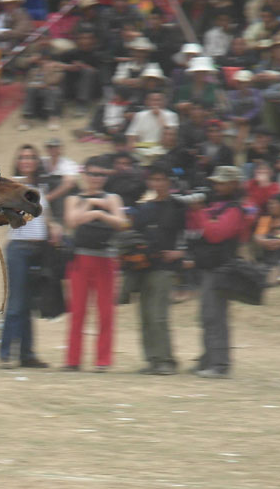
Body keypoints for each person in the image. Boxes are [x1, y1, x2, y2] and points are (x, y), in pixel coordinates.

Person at [63, 156, 128, 371]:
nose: (96, 178)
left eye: (101, 174)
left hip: (106, 259)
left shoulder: (113, 198)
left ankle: (103, 360)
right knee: (78, 311)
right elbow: (72, 221)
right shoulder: (74, 198)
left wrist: (100, 213)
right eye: (92, 173)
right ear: (85, 174)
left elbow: (122, 223)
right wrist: (92, 205)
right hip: (81, 259)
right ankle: (73, 360)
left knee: (106, 312)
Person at [0, 145, 58, 369]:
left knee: (29, 303)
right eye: (23, 157)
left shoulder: (40, 188)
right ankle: (6, 353)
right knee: (16, 302)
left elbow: (46, 217)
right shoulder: (13, 186)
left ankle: (27, 353)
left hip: (39, 249)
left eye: (31, 157)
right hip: (19, 248)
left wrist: (54, 228)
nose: (27, 160)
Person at [187, 165, 247, 378]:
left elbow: (214, 234)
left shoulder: (234, 210)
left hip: (222, 270)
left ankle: (219, 364)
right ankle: (208, 358)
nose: (217, 186)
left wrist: (199, 212)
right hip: (208, 268)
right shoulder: (218, 206)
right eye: (217, 182)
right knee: (206, 316)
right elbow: (197, 227)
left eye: (222, 182)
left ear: (233, 184)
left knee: (216, 316)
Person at [130, 163, 187, 374]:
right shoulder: (144, 208)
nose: (158, 183)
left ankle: (166, 360)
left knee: (158, 315)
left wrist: (180, 254)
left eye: (162, 179)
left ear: (169, 181)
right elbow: (134, 235)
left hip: (165, 267)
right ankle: (152, 359)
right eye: (154, 179)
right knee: (145, 315)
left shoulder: (178, 207)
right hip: (143, 266)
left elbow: (190, 236)